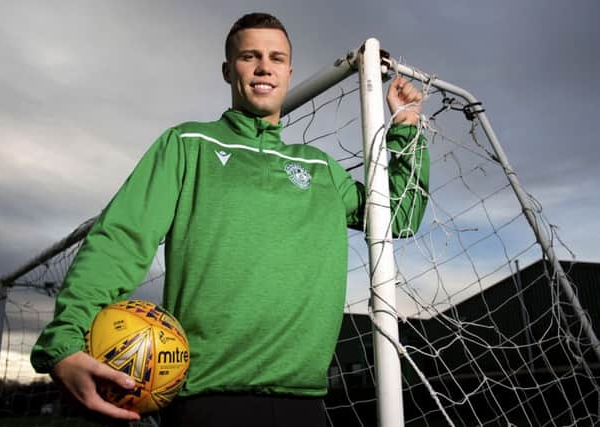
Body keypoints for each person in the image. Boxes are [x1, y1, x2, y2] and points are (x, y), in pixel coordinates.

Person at [30, 12, 429, 427]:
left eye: (276, 58)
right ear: (228, 69)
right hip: (206, 400)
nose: (263, 67)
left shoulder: (320, 169)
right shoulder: (187, 145)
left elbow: (398, 215)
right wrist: (65, 342)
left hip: (307, 403)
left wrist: (405, 124)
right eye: (249, 56)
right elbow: (120, 239)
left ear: (289, 72)